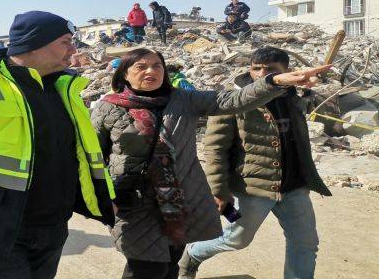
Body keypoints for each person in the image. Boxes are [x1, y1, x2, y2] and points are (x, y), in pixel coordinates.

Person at [90, 48, 330, 279]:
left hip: (180, 201)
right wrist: (101, 198)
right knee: (145, 268)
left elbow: (233, 100)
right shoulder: (108, 108)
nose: (150, 71)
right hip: (135, 202)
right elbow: (93, 157)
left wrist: (276, 82)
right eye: (140, 67)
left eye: (157, 66)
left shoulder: (184, 100)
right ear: (124, 73)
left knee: (169, 267)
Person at [0, 11, 115, 278]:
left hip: (53, 228)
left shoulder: (64, 88)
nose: (74, 49)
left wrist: (107, 200)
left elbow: (82, 156)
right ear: (33, 43)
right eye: (65, 41)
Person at [179, 47, 332, 279]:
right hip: (250, 189)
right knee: (235, 239)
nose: (261, 75)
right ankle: (194, 253)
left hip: (294, 187)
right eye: (256, 68)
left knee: (306, 244)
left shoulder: (294, 98)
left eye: (270, 69)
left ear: (287, 71)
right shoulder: (231, 101)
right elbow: (215, 149)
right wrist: (218, 190)